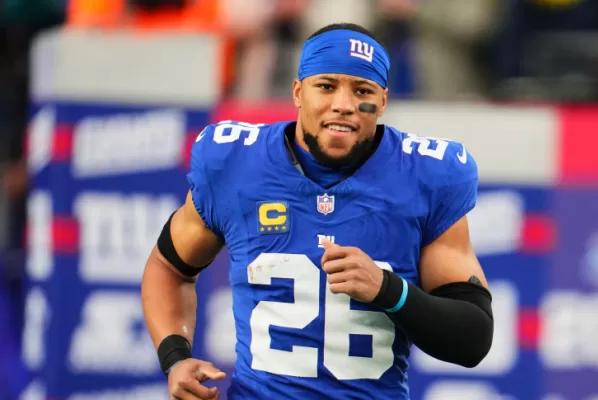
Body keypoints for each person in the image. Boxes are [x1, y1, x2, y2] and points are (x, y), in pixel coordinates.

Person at [141, 22, 494, 400]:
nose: (343, 104)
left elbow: (472, 339)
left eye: (363, 90)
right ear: (298, 91)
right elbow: (169, 269)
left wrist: (389, 291)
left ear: (383, 101)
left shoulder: (426, 176)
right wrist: (176, 356)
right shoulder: (235, 164)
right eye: (326, 86)